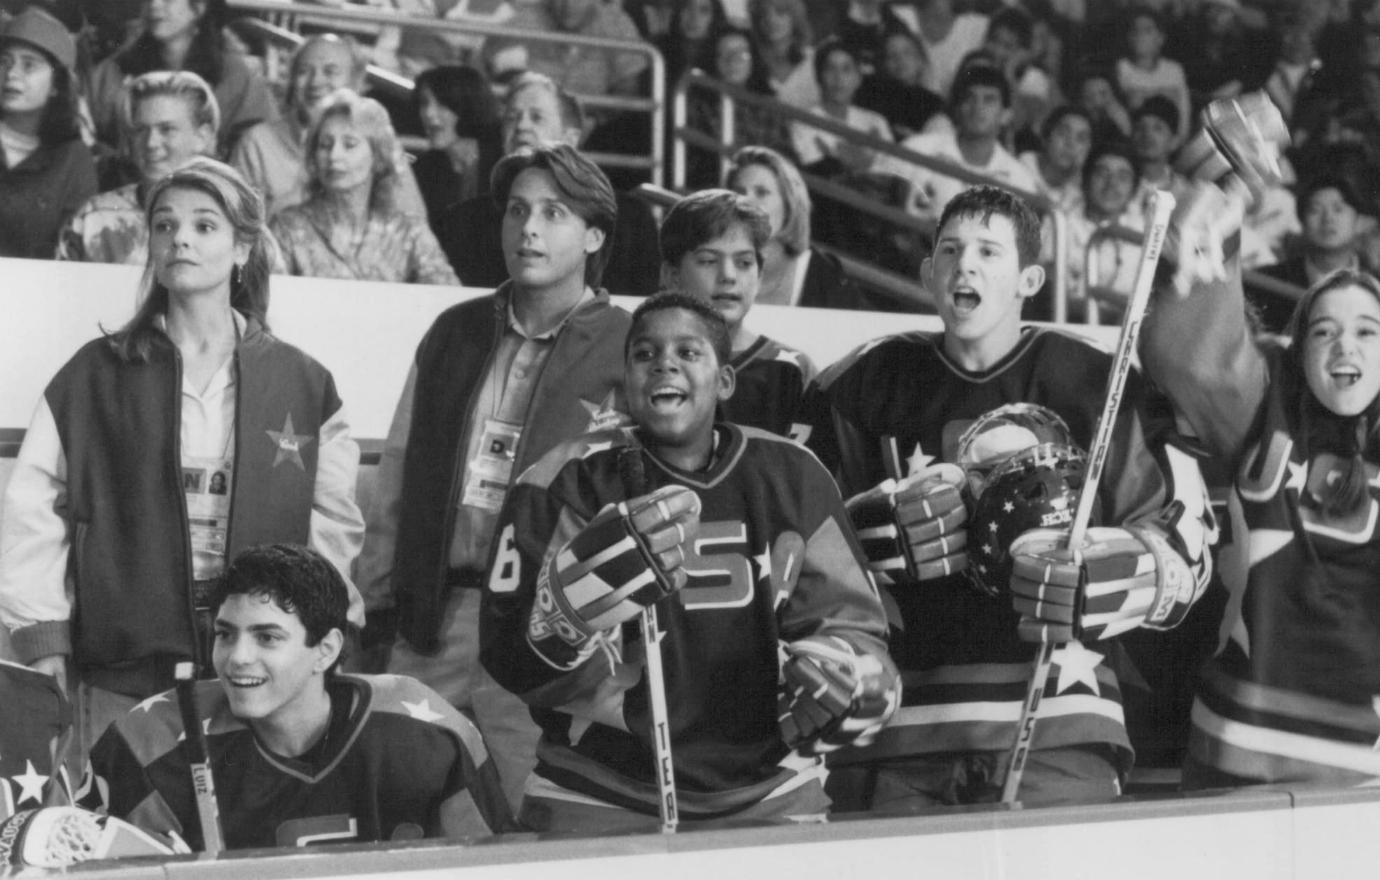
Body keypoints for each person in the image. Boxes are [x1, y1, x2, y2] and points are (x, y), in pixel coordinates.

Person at [804, 184, 1214, 810]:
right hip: (897, 728)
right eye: (950, 249)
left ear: (1029, 279)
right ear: (927, 272)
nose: (965, 264)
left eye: (989, 252)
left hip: (1060, 716)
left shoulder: (1095, 380)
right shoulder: (860, 383)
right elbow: (793, 541)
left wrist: (1122, 572)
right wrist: (862, 542)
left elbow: (1188, 542)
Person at [0, 159, 366, 774]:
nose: (181, 240)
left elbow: (333, 524)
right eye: (165, 226)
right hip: (123, 669)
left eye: (204, 225)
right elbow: (34, 510)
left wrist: (319, 638)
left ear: (243, 246)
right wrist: (43, 638)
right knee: (121, 841)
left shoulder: (302, 382)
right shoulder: (94, 375)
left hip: (259, 679)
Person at [480, 292, 898, 831]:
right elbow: (505, 656)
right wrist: (557, 623)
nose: (665, 364)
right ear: (626, 380)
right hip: (597, 789)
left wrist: (848, 668)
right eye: (644, 354)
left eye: (688, 352)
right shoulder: (562, 480)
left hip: (769, 792)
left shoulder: (795, 474)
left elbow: (854, 623)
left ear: (724, 381)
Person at [356, 143, 632, 812]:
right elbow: (397, 467)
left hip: (546, 626)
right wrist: (375, 599)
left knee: (530, 811)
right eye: (516, 211)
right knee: (395, 801)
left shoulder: (628, 343)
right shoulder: (455, 330)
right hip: (435, 615)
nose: (528, 229)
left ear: (594, 235)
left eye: (553, 213)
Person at [1140, 130, 1380, 789]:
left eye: (1367, 331)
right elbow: (1189, 355)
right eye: (1324, 331)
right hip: (1240, 754)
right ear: (1299, 350)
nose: (1344, 348)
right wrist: (1221, 203)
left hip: (1366, 776)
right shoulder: (1264, 416)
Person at [79, 544, 514, 849]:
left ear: (325, 650)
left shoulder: (427, 733)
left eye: (267, 638)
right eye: (225, 635)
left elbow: (493, 866)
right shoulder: (148, 746)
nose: (236, 658)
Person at [435, 72, 659, 296]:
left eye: (536, 117)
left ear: (570, 139)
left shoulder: (629, 221)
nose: (521, 126)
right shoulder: (463, 222)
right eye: (512, 118)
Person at [659, 189, 815, 438]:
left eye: (744, 263)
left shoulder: (791, 370)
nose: (728, 276)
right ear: (672, 275)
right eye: (709, 260)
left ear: (759, 275)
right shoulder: (648, 362)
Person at [270, 90, 457, 285]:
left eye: (349, 145)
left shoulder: (409, 231)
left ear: (377, 157)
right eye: (325, 145)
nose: (334, 156)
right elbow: (266, 301)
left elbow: (448, 298)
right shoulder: (288, 227)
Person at [230, 34, 426, 219]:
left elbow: (413, 218)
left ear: (357, 83)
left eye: (330, 71)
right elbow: (236, 224)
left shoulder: (380, 141)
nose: (316, 82)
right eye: (304, 71)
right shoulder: (257, 141)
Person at [57, 70, 218, 265]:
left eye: (167, 129)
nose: (151, 143)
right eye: (141, 130)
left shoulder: (230, 218)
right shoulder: (94, 216)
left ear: (202, 137)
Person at [86, 0, 277, 156]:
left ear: (199, 7)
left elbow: (256, 147)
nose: (155, 5)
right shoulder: (116, 69)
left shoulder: (236, 75)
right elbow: (92, 136)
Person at [874, 62, 1038, 229]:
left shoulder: (1019, 180)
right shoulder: (917, 148)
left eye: (989, 100)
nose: (977, 107)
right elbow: (871, 196)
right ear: (957, 108)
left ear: (1005, 115)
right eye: (969, 98)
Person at [0, 7, 96, 259]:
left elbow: (74, 252)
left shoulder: (73, 160)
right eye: (4, 62)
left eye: (28, 65)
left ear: (57, 84)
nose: (11, 75)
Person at [725, 144, 871, 308]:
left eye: (762, 193)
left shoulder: (821, 273)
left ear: (789, 205)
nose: (747, 202)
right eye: (738, 192)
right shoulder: (706, 265)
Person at [1249, 175, 1366, 335]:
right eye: (1315, 210)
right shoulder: (1265, 282)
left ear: (1358, 222)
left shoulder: (1375, 285)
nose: (1328, 219)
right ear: (1301, 224)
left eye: (1338, 209)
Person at [683, 23, 793, 190]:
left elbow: (784, 157)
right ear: (713, 59)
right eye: (724, 54)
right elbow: (697, 162)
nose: (733, 60)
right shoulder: (699, 103)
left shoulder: (769, 104)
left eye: (741, 53)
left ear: (753, 59)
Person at [411, 64, 502, 234]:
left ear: (468, 104)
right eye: (424, 103)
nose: (429, 113)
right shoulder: (422, 171)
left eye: (442, 104)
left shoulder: (503, 164)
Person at [790, 38, 892, 176]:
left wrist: (838, 156)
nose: (838, 78)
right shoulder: (803, 122)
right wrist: (863, 158)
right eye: (830, 69)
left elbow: (889, 172)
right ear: (819, 77)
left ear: (858, 79)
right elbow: (819, 174)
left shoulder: (876, 121)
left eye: (846, 69)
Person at [854, 28, 946, 142]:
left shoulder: (934, 103)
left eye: (907, 52)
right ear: (882, 64)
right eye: (892, 55)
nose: (900, 60)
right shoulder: (871, 95)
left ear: (920, 59)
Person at [1115, 5, 1191, 142]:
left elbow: (1184, 115)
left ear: (1160, 38)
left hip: (1172, 145)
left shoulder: (1174, 70)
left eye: (1147, 30)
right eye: (1135, 30)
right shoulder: (1121, 68)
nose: (1140, 35)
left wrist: (1176, 143)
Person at [748, 0, 818, 108]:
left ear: (795, 18)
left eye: (780, 13)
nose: (771, 20)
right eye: (763, 14)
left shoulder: (815, 60)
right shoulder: (751, 61)